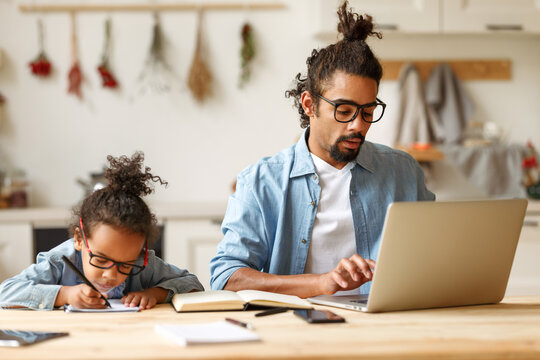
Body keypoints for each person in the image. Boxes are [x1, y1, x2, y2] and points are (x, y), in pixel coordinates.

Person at [209, 1, 435, 298]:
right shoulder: (262, 181)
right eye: (344, 110)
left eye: (368, 111)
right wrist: (319, 283)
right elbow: (226, 277)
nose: (358, 125)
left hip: (384, 327)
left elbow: (434, 258)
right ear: (308, 104)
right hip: (297, 332)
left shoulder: (403, 171)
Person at [0, 152, 203, 310]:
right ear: (79, 239)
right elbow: (6, 293)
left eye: (125, 265)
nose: (110, 275)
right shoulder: (59, 261)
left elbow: (192, 283)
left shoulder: (141, 262)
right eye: (101, 259)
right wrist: (65, 295)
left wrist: (154, 293)